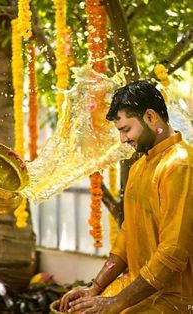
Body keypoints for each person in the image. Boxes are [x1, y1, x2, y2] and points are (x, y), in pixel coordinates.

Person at [60, 80, 193, 313]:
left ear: (151, 117)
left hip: (177, 300)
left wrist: (117, 301)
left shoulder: (180, 165)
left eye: (126, 129)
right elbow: (127, 235)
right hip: (140, 292)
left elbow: (173, 252)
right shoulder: (139, 167)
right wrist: (96, 287)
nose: (123, 139)